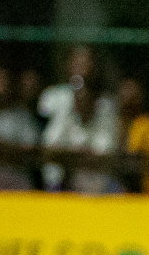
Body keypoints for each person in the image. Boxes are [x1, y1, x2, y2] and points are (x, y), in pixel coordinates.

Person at [39, 46, 121, 194]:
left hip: (96, 185)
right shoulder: (53, 98)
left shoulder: (106, 106)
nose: (82, 69)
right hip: (57, 184)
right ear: (68, 65)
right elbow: (48, 150)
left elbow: (105, 155)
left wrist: (71, 157)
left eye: (87, 63)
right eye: (77, 63)